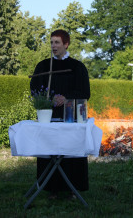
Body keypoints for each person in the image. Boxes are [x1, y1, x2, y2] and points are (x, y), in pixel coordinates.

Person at [30, 29, 90, 197]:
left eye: (57, 42)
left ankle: (72, 188)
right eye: (51, 42)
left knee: (71, 151)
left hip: (70, 118)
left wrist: (66, 98)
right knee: (49, 151)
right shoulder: (43, 66)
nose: (53, 46)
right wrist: (49, 99)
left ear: (66, 44)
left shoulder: (77, 67)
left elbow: (85, 92)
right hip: (48, 117)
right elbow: (35, 90)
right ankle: (51, 188)